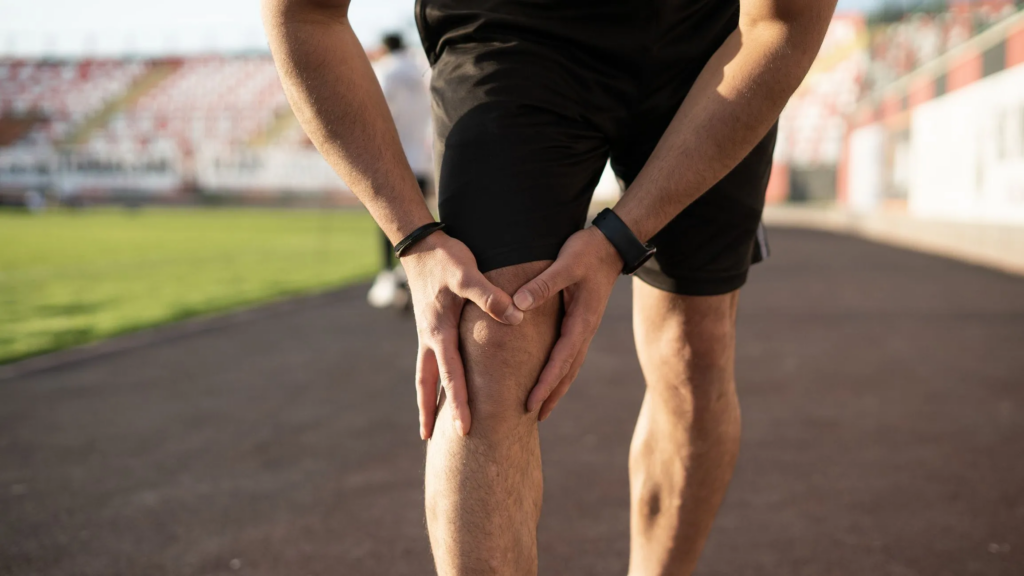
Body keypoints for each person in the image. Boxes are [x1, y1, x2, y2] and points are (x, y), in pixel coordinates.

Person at [262, 0, 836, 573]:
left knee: (693, 351)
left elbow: (783, 24)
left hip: (712, 41)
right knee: (488, 338)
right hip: (514, 26)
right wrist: (414, 239)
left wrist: (619, 239)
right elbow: (305, 15)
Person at [365, 32, 433, 309]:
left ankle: (387, 277)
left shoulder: (386, 71)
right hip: (421, 159)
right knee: (420, 225)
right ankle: (413, 281)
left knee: (388, 223)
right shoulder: (421, 69)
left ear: (384, 47)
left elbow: (373, 110)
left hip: (393, 159)